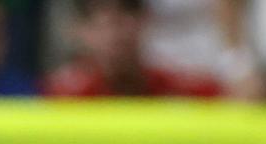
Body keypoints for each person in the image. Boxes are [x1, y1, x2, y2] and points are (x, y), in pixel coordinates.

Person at [43, 0, 221, 96]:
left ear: (145, 19)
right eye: (101, 24)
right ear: (77, 30)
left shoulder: (183, 93)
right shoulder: (63, 97)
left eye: (123, 17)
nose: (114, 34)